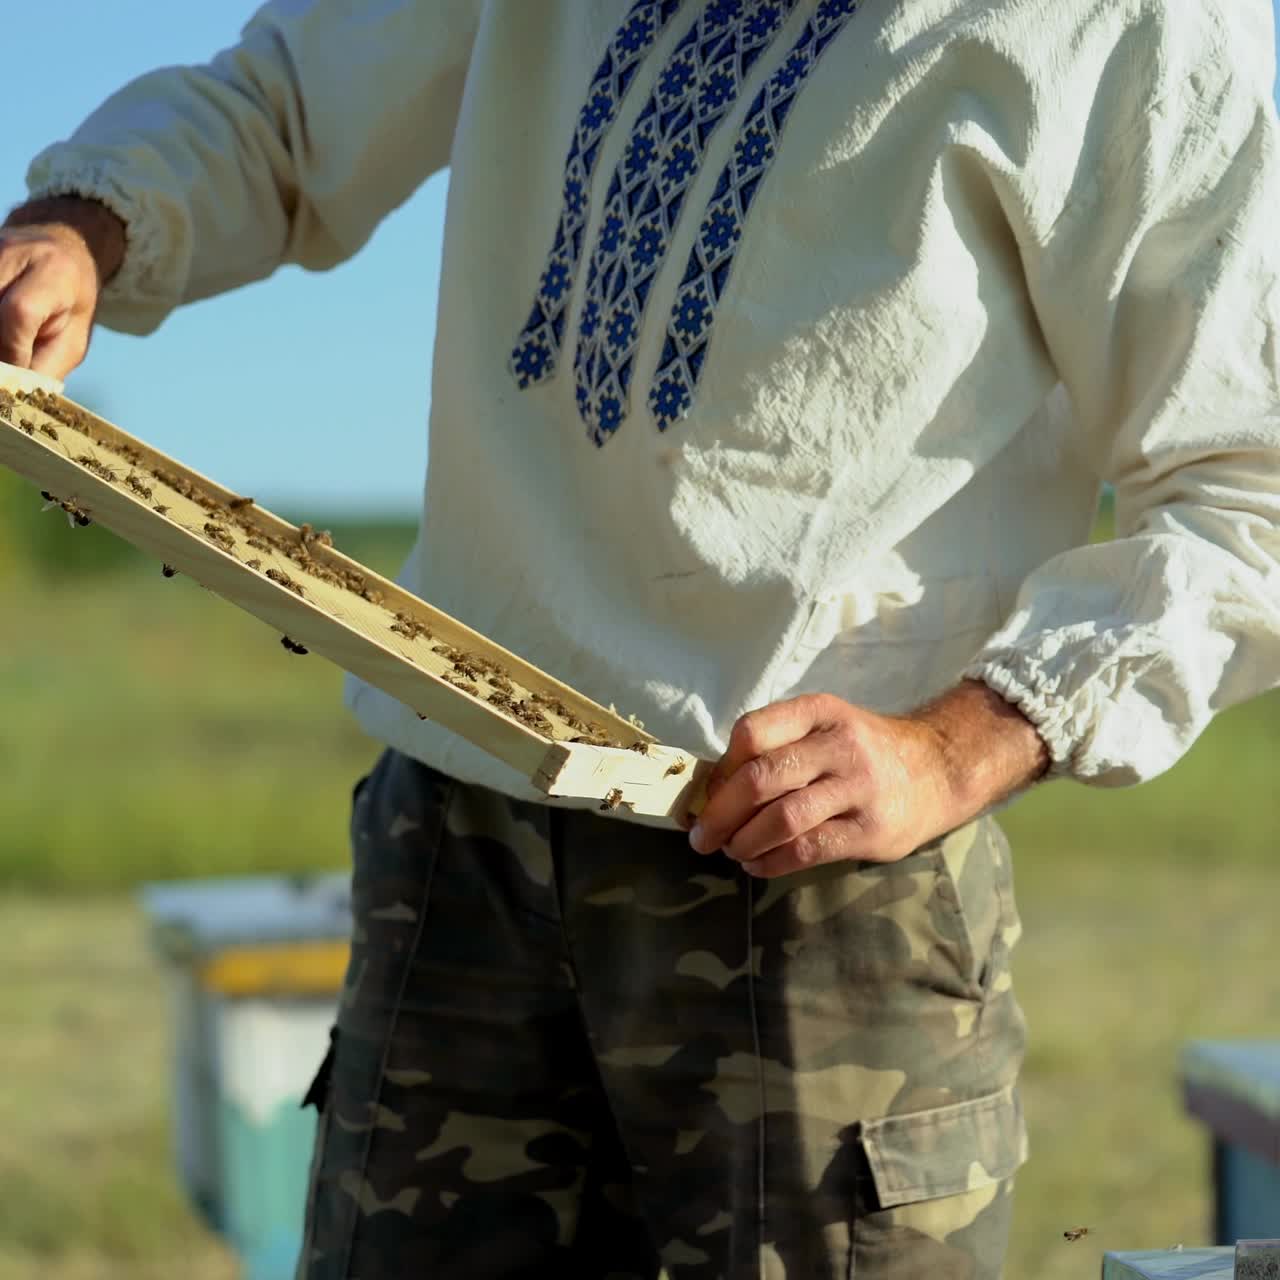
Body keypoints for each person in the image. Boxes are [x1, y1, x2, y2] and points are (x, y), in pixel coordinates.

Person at [4, 1, 1280, 1276]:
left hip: (817, 888)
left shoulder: (1125, 23)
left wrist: (957, 745)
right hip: (459, 843)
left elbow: (1249, 488)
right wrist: (81, 229)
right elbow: (291, 101)